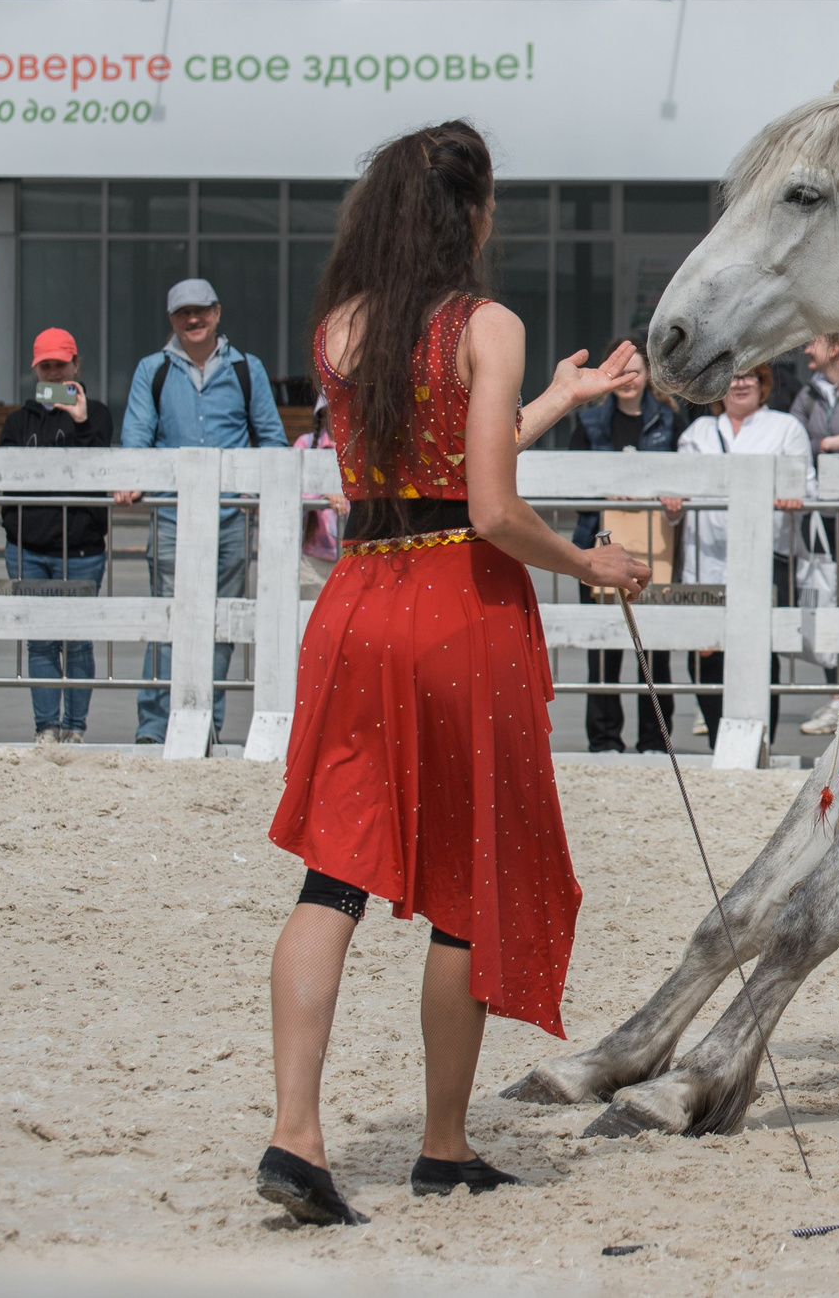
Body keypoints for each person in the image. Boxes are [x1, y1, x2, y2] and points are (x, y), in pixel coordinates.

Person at [259, 120, 648, 1228]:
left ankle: (295, 1133)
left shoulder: (340, 326)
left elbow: (430, 466)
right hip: (457, 610)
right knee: (470, 879)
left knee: (332, 875)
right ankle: (443, 1143)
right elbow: (486, 508)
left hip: (357, 601)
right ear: (469, 213)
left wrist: (557, 401)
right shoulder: (487, 323)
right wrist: (587, 560)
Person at [118, 277, 285, 747]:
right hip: (171, 518)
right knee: (167, 620)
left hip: (231, 519)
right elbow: (137, 435)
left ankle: (206, 724)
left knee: (221, 623)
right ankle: (155, 729)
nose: (193, 319)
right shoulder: (152, 370)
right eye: (183, 313)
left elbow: (271, 439)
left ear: (217, 313)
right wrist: (133, 475)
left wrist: (256, 490)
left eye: (201, 310)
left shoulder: (247, 369)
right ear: (172, 320)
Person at [676, 368, 811, 747]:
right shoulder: (698, 433)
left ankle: (758, 742)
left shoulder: (785, 427)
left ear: (762, 384)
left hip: (764, 559)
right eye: (732, 377)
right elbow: (678, 491)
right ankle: (718, 741)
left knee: (759, 652)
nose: (740, 384)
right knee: (704, 654)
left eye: (749, 376)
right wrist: (673, 501)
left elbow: (807, 485)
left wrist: (793, 497)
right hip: (706, 560)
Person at [0, 329, 113, 743]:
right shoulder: (17, 421)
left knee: (78, 642)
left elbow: (99, 469)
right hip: (28, 549)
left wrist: (80, 421)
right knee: (41, 642)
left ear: (75, 365)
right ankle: (46, 728)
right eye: (45, 365)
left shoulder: (97, 413)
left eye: (60, 364)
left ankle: (75, 728)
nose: (53, 372)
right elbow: (3, 477)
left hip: (81, 549)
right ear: (35, 370)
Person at [567, 336, 680, 752]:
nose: (629, 379)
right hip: (597, 544)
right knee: (602, 648)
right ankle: (604, 739)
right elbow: (573, 487)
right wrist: (609, 493)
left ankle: (655, 739)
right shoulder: (589, 423)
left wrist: (661, 494)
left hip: (654, 547)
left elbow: (682, 478)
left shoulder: (669, 421)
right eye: (621, 372)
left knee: (655, 648)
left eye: (636, 371)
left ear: (649, 375)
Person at [292, 396, 350, 598]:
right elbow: (289, 491)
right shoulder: (306, 444)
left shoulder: (363, 448)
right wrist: (321, 496)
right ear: (324, 411)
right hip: (313, 562)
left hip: (352, 559)